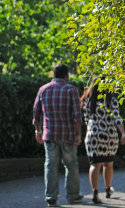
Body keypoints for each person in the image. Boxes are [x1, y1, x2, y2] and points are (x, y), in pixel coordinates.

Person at [33, 63, 83, 207]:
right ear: (66, 75)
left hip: (49, 135)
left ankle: (51, 197)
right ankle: (73, 195)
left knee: (50, 166)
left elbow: (36, 113)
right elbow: (77, 116)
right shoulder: (71, 90)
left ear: (53, 75)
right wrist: (78, 134)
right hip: (68, 134)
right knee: (71, 165)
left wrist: (38, 130)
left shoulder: (43, 89)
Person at [81, 76, 125, 204]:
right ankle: (107, 189)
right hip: (109, 135)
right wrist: (123, 133)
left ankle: (95, 192)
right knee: (108, 164)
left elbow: (85, 119)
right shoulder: (111, 100)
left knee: (94, 164)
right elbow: (117, 118)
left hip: (93, 135)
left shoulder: (89, 100)